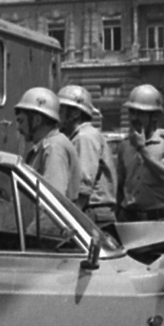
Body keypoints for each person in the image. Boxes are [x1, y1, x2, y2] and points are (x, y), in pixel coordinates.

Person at [117, 84, 164, 222]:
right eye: (132, 112)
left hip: (161, 219)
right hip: (130, 218)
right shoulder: (125, 144)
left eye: (140, 113)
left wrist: (142, 149)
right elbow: (121, 183)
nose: (134, 118)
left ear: (155, 116)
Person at [58, 85, 116, 225]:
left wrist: (70, 220)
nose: (57, 114)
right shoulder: (81, 136)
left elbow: (82, 186)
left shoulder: (84, 137)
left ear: (75, 114)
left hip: (92, 212)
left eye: (61, 109)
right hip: (92, 211)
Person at [15, 87, 81, 204]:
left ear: (36, 120)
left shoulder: (54, 148)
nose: (18, 128)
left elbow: (52, 201)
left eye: (21, 121)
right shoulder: (45, 147)